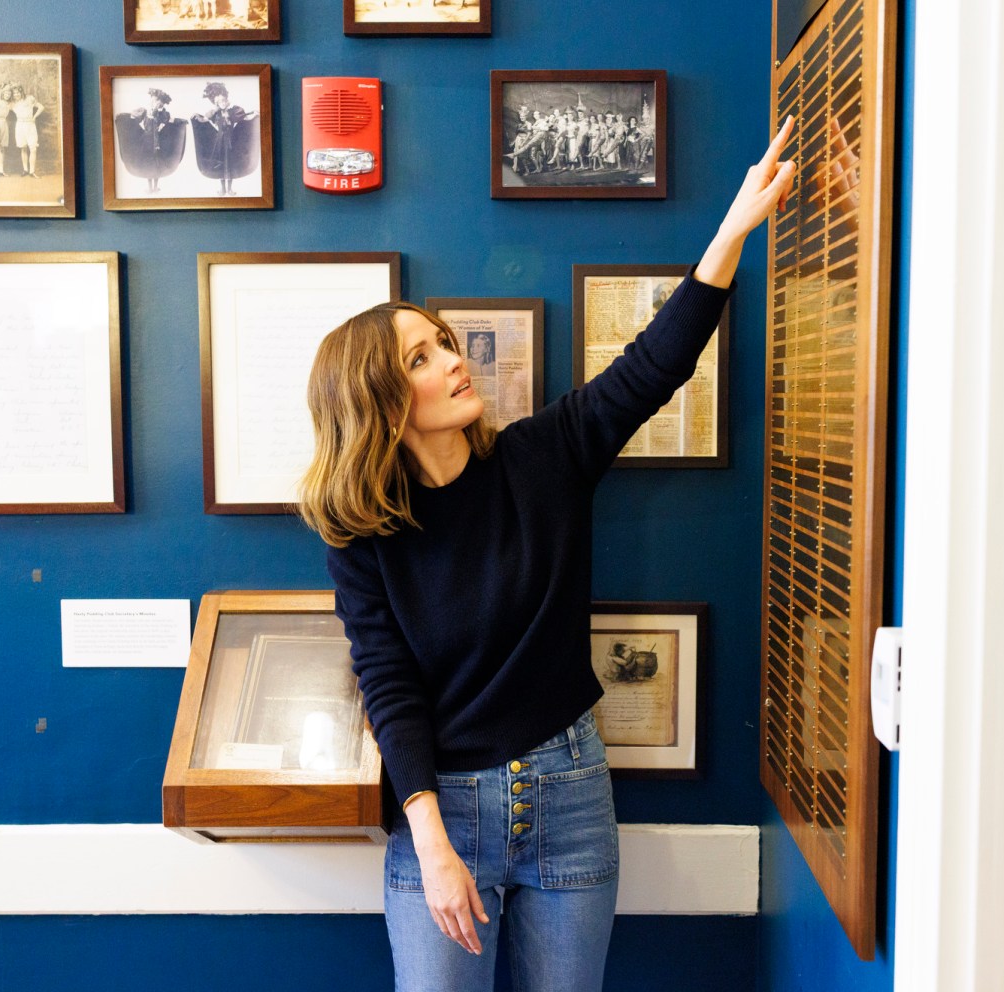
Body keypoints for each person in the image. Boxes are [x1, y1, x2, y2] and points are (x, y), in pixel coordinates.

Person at [300, 117, 797, 992]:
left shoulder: (544, 454)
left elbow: (651, 368)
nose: (453, 361)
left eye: (444, 341)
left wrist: (730, 233)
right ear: (380, 400)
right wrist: (432, 841)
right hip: (440, 813)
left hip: (570, 796)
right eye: (422, 357)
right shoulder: (362, 530)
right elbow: (387, 683)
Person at [9, 85, 45, 178]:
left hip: (30, 125)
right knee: (23, 148)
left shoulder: (29, 99)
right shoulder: (12, 103)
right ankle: (25, 170)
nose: (16, 94)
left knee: (33, 148)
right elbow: (2, 106)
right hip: (20, 126)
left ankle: (32, 171)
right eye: (14, 93)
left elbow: (41, 107)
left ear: (21, 92)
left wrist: (34, 117)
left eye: (18, 92)